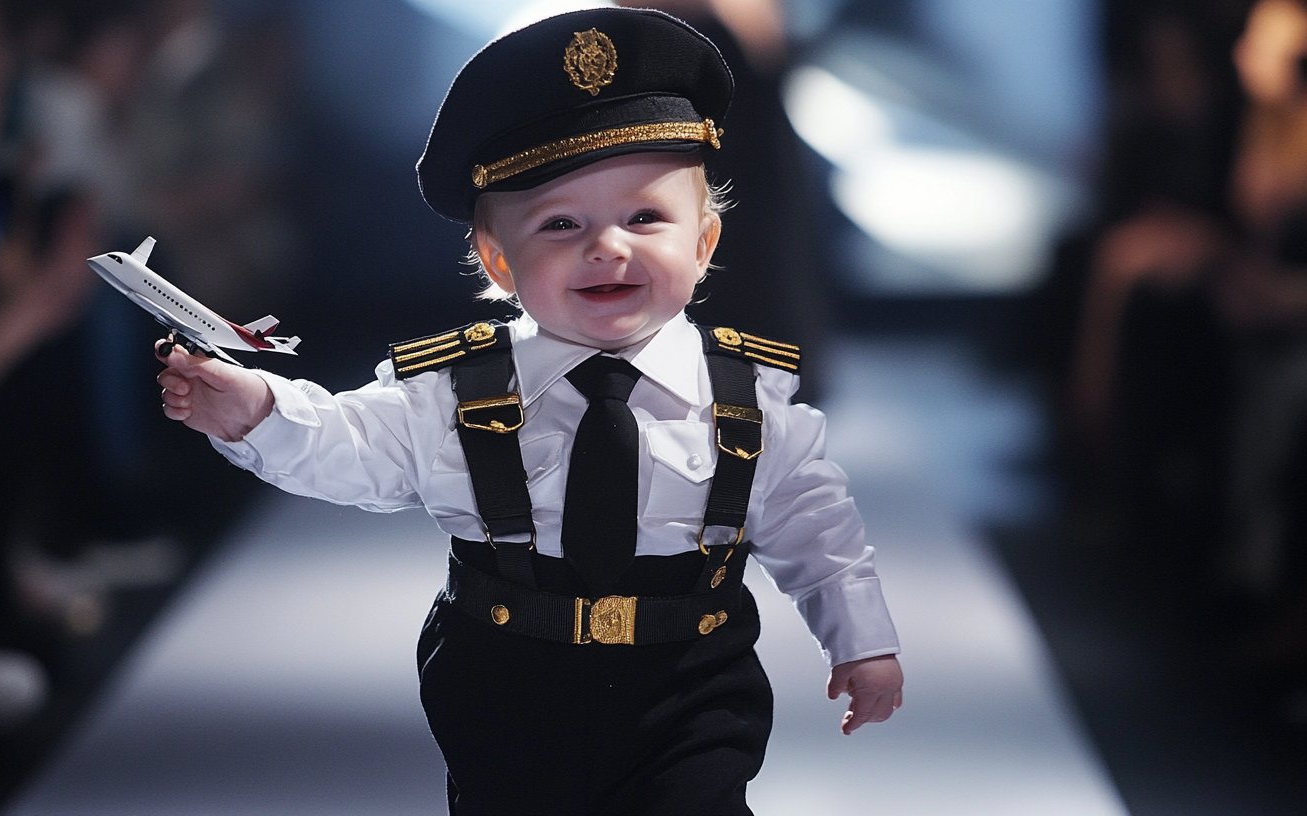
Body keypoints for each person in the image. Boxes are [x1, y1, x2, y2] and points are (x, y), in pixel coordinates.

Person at [153, 8, 902, 814]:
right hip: (503, 680)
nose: (608, 247)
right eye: (561, 225)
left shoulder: (747, 396)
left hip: (692, 680)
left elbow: (816, 527)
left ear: (705, 243)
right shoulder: (458, 387)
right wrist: (258, 410)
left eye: (646, 217)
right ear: (497, 258)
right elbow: (355, 444)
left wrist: (861, 639)